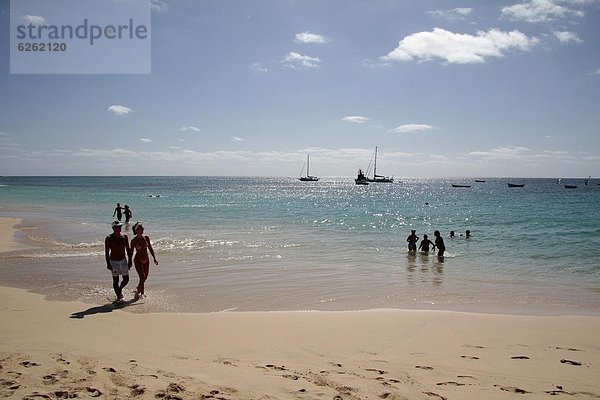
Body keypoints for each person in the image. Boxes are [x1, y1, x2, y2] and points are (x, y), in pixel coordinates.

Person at [105, 221, 131, 301]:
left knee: (126, 279)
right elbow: (106, 252)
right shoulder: (109, 238)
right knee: (116, 280)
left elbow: (128, 250)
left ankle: (119, 290)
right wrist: (108, 263)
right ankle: (119, 296)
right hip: (114, 261)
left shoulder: (124, 237)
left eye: (120, 227)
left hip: (123, 260)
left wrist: (130, 261)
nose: (119, 228)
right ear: (113, 228)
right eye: (117, 227)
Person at [130, 222, 158, 298]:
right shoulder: (133, 241)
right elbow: (131, 252)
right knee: (142, 276)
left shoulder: (146, 238)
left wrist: (154, 258)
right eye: (141, 229)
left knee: (145, 277)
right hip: (138, 260)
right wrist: (129, 262)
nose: (143, 230)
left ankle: (138, 289)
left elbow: (150, 248)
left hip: (146, 259)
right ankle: (142, 293)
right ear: (137, 230)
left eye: (143, 228)